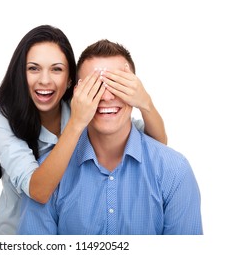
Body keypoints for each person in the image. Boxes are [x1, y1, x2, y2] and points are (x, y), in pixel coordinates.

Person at [0, 25, 168, 234]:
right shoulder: (5, 118)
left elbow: (155, 146)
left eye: (56, 69)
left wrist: (145, 103)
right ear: (20, 74)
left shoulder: (81, 105)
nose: (45, 80)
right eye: (33, 68)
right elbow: (39, 191)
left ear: (70, 81)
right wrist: (77, 122)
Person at [18, 39, 203, 235]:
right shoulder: (48, 175)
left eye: (117, 85)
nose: (106, 97)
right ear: (77, 94)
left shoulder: (174, 171)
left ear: (135, 92)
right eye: (95, 87)